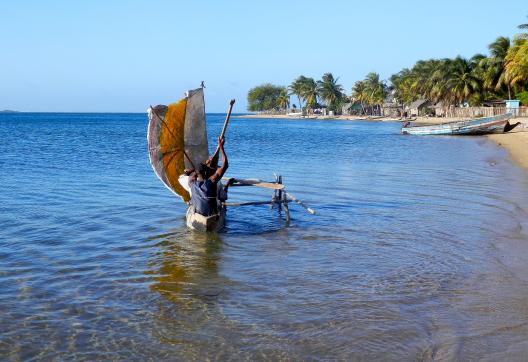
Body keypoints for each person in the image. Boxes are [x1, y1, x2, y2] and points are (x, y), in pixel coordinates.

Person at [185, 137, 230, 216]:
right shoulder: (213, 181)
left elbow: (195, 173)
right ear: (206, 171)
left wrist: (192, 171)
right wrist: (221, 147)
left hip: (198, 212)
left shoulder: (191, 182)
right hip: (212, 213)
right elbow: (225, 165)